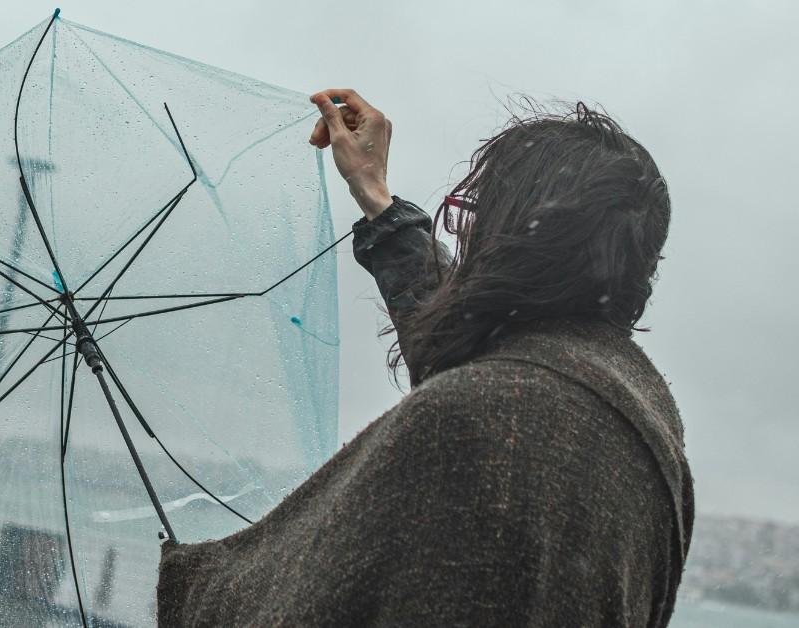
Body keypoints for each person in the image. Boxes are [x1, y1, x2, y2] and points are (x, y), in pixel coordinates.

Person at [156, 89, 693, 627]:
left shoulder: (471, 418)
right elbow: (490, 350)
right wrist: (375, 194)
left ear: (515, 242)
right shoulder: (638, 415)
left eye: (476, 218)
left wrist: (196, 582)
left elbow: (306, 604)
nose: (466, 235)